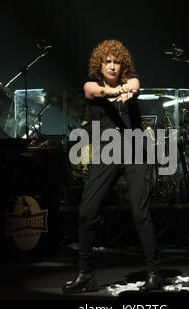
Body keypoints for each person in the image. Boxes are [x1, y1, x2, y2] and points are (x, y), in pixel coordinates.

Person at [63, 40, 163, 294]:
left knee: (141, 213)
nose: (111, 66)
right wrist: (114, 93)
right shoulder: (92, 85)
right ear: (99, 64)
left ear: (123, 65)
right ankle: (85, 275)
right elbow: (92, 93)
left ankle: (154, 274)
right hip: (107, 152)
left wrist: (127, 89)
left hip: (135, 150)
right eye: (107, 61)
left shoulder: (133, 83)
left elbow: (135, 87)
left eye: (116, 61)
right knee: (87, 211)